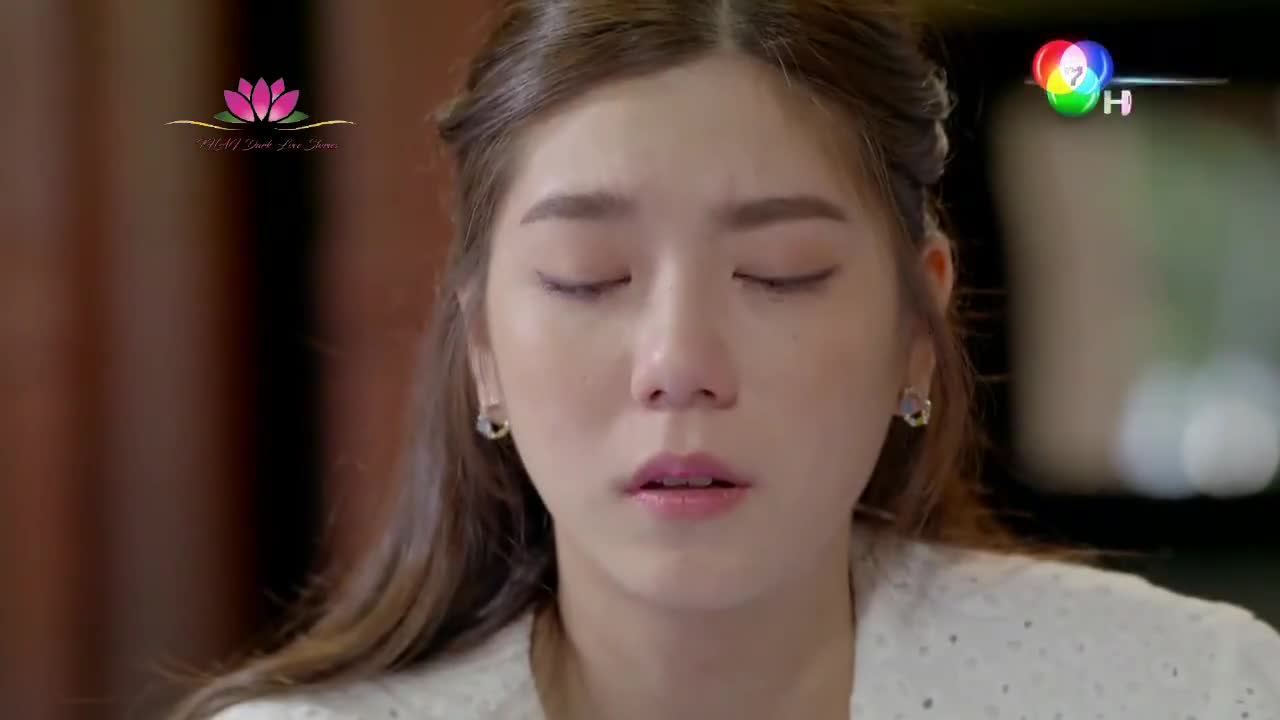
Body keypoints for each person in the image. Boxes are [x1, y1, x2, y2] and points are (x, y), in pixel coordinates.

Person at [174, 2, 1280, 719]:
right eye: (588, 278)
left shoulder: (1187, 691)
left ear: (917, 330)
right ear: (484, 350)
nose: (679, 363)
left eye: (780, 273)